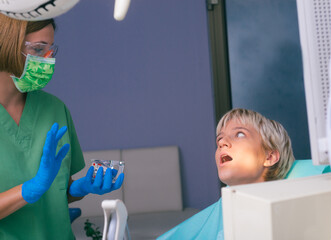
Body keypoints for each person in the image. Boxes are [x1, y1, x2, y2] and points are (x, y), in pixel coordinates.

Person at [0, 15, 124, 239]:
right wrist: (29, 190)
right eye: (38, 49)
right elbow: (40, 186)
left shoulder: (54, 109)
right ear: (7, 45)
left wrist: (79, 189)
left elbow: (58, 191)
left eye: (50, 50)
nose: (46, 59)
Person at [157, 108, 295, 239]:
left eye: (240, 134)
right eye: (219, 139)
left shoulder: (288, 217)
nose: (222, 142)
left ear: (269, 157)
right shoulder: (214, 217)